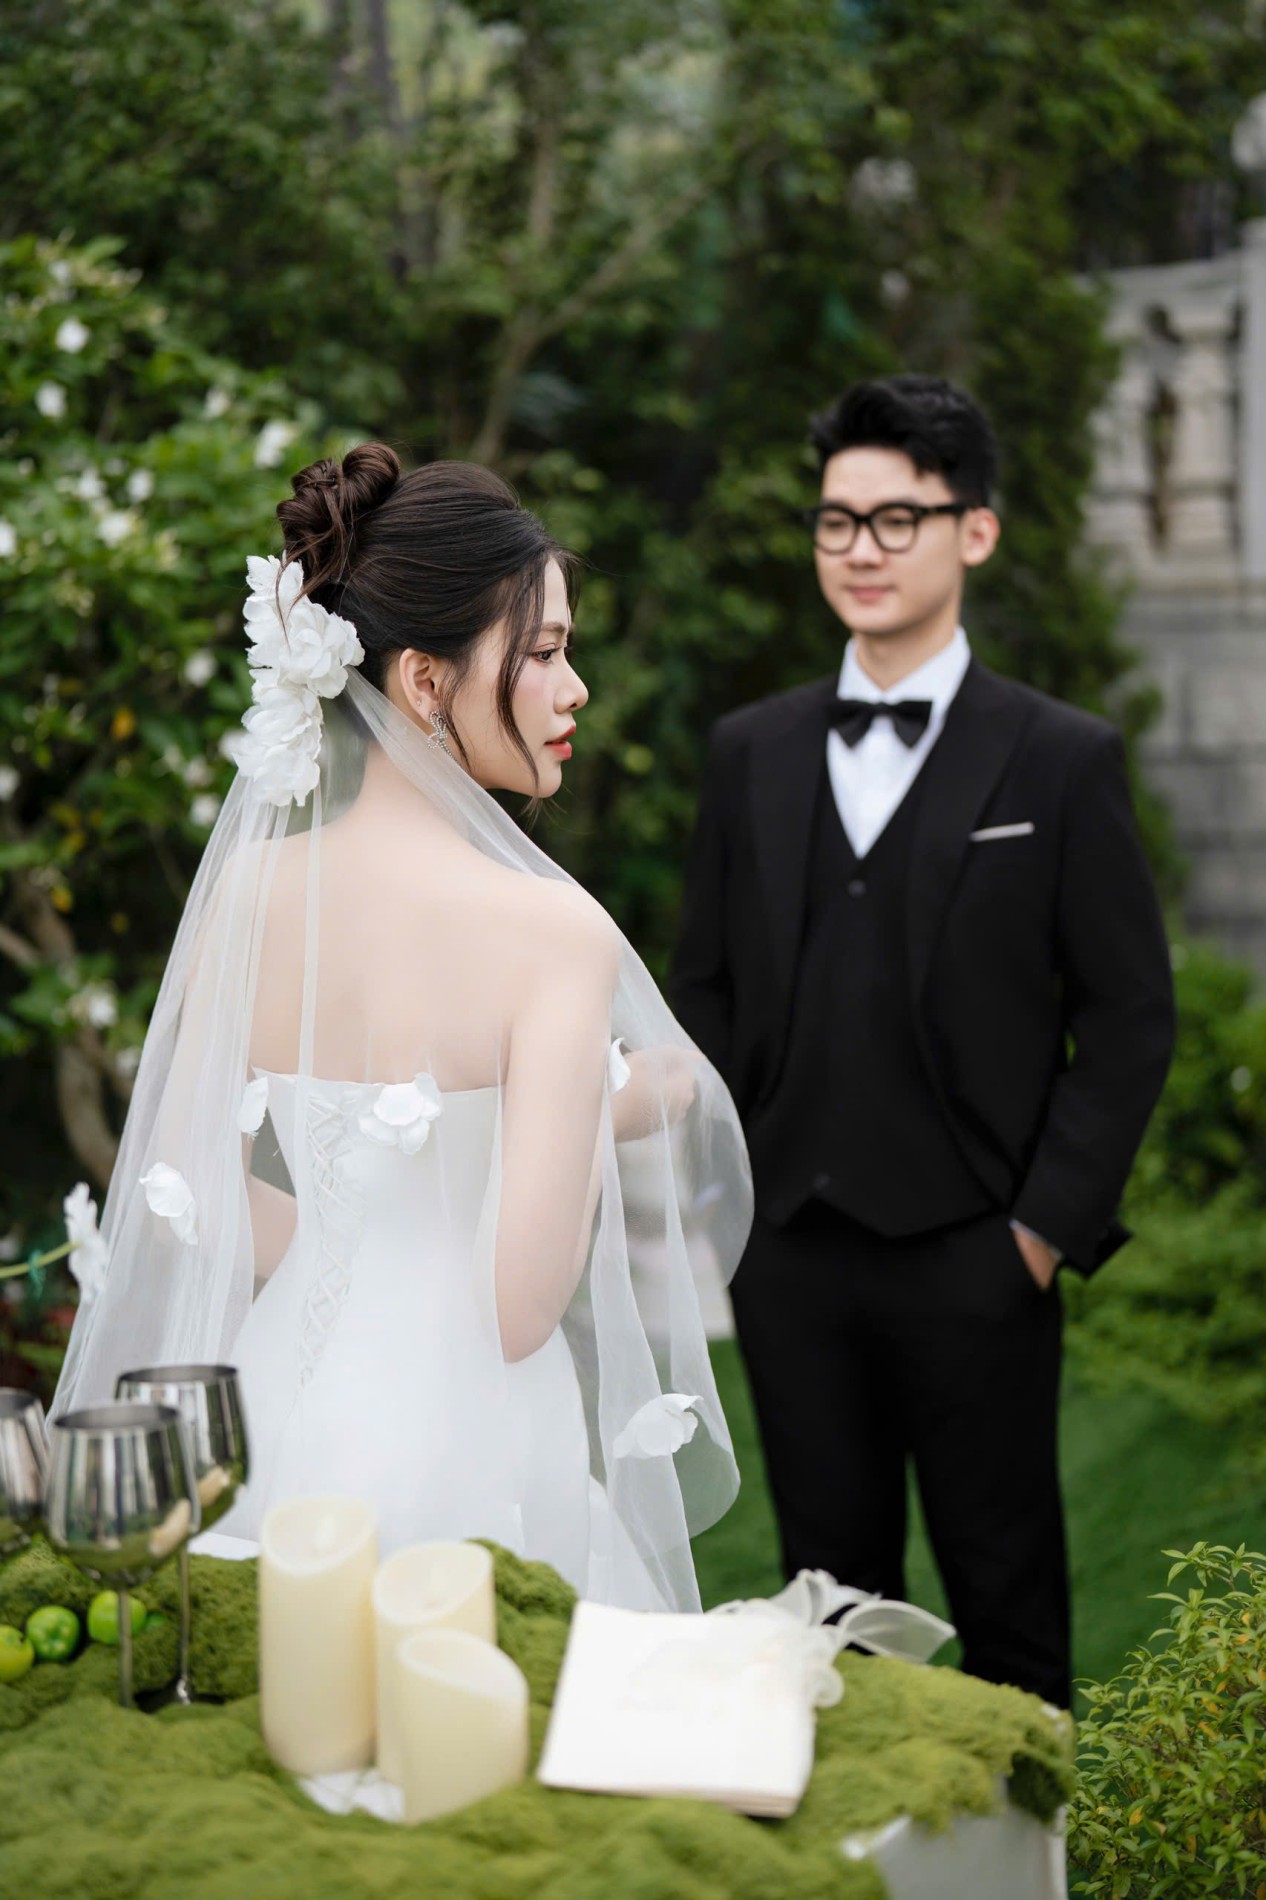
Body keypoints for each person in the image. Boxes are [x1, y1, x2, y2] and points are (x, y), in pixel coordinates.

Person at [54, 446, 751, 1613]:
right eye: (543, 652)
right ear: (425, 680)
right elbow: (518, 1310)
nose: (574, 687)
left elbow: (187, 1176)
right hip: (466, 1435)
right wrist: (604, 1099)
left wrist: (347, 1244)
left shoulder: (249, 893)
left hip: (272, 1409)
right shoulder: (553, 934)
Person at [669, 375, 1176, 1705]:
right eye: (837, 521)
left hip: (978, 1255)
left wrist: (1040, 1230)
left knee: (1009, 1610)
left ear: (975, 532)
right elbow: (702, 986)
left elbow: (1129, 1013)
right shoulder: (750, 751)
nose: (862, 548)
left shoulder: (1058, 758)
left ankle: (1029, 1823)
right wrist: (732, 1199)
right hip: (791, 1257)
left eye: (898, 518)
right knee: (828, 1619)